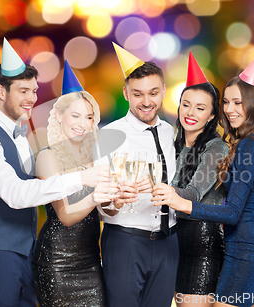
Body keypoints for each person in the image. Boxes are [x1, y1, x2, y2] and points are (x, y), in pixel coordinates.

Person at [0, 38, 111, 306]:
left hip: (29, 254)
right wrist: (81, 179)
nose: (32, 98)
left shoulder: (21, 136)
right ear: (1, 92)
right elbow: (15, 194)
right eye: (23, 91)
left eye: (34, 90)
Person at [152, 48, 254, 307]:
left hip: (247, 249)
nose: (230, 109)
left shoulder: (249, 145)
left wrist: (181, 203)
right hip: (249, 246)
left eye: (238, 102)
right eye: (227, 102)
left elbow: (233, 212)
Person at [98, 43, 179, 307]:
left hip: (169, 242)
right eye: (138, 94)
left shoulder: (171, 132)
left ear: (164, 91)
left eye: (153, 93)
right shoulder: (108, 135)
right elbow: (99, 203)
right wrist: (115, 202)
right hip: (125, 241)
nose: (146, 101)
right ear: (126, 94)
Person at [32, 61, 116, 307]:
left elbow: (105, 212)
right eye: (75, 115)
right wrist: (96, 195)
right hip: (57, 263)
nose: (83, 123)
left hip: (91, 261)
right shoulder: (47, 157)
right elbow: (66, 215)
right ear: (59, 116)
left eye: (89, 117)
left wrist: (117, 200)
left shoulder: (95, 157)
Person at [153, 52, 228, 307]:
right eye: (186, 104)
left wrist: (156, 190)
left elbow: (194, 193)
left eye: (200, 107)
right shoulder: (171, 143)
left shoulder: (216, 148)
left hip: (201, 244)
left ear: (211, 116)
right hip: (171, 240)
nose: (191, 112)